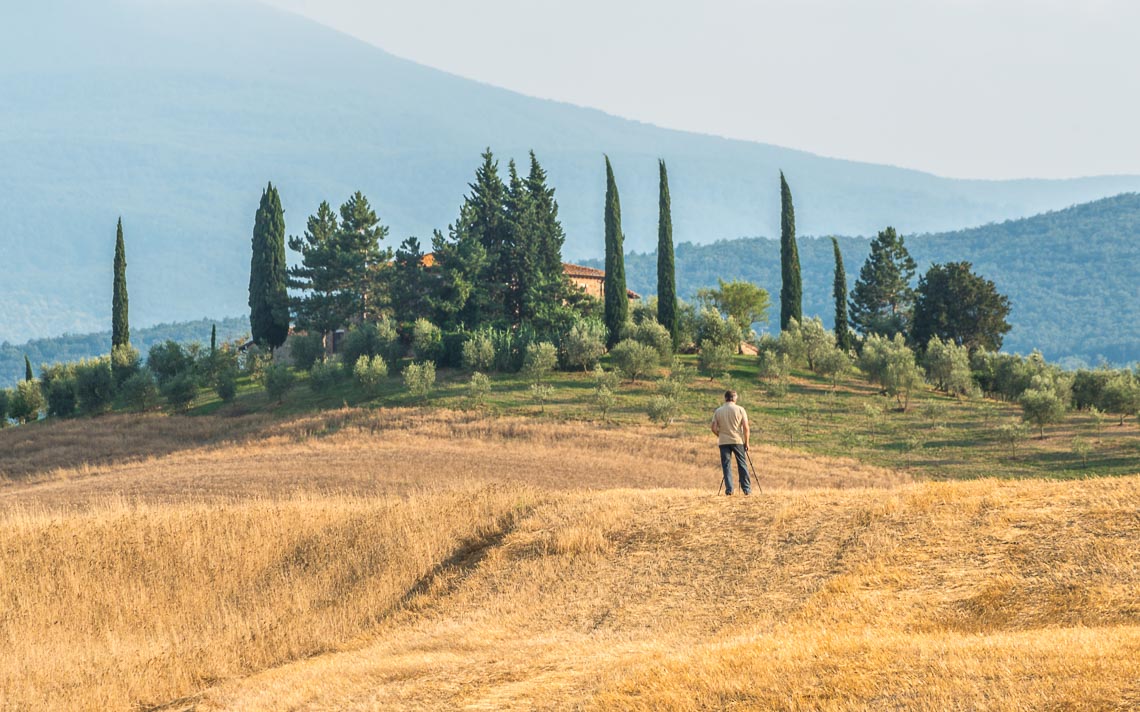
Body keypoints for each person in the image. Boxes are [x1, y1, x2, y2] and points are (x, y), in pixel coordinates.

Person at [711, 389, 751, 495]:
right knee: (742, 464)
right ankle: (746, 489)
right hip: (737, 440)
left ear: (725, 398)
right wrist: (746, 442)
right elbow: (746, 427)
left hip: (723, 441)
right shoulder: (740, 409)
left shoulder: (718, 411)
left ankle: (729, 490)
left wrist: (720, 435)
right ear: (734, 398)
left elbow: (713, 427)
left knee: (726, 465)